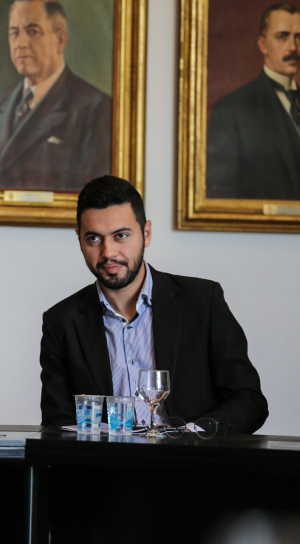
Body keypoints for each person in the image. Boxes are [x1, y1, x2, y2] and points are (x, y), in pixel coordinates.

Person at [39, 175, 268, 434]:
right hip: (107, 469)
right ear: (79, 238)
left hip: (192, 464)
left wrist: (195, 434)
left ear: (146, 233)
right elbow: (57, 422)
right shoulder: (61, 321)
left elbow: (249, 400)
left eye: (121, 235)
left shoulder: (203, 301)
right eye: (94, 239)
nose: (108, 252)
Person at [0, 0, 112, 191]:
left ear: (60, 39)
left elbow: (93, 195)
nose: (21, 43)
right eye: (14, 33)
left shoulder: (94, 107)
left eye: (33, 32)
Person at [206, 3, 300, 200]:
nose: (293, 47)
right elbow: (222, 193)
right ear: (263, 45)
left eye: (299, 37)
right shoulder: (232, 109)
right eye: (282, 37)